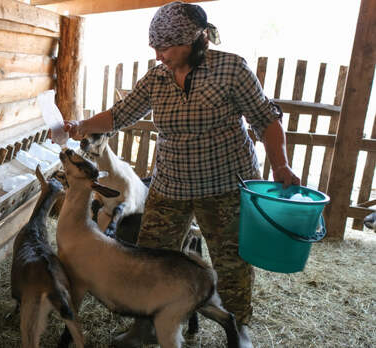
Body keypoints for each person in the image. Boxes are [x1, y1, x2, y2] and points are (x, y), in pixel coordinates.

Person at [63, 2, 300, 347]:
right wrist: (81, 126)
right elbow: (120, 114)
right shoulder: (158, 78)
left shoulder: (231, 69)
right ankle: (144, 326)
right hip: (171, 184)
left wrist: (281, 165)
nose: (159, 55)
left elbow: (266, 119)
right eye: (155, 48)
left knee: (231, 260)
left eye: (166, 47)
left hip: (225, 184)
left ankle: (237, 328)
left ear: (195, 40)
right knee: (148, 256)